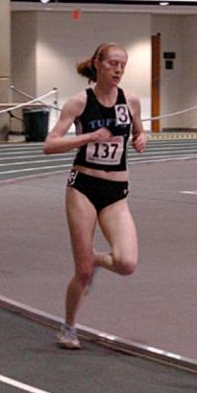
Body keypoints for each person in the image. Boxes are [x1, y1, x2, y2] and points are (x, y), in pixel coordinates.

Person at [43, 43, 146, 349]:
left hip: (116, 191)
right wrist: (88, 136)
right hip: (84, 188)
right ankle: (69, 327)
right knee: (82, 272)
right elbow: (49, 145)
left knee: (127, 263)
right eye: (113, 64)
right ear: (98, 64)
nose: (118, 70)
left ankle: (97, 260)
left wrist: (141, 138)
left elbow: (139, 131)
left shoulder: (131, 101)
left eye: (123, 66)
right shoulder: (79, 103)